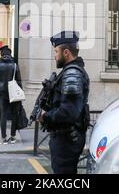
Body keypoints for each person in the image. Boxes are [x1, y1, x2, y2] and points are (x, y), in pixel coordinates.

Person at [39, 31, 90, 174]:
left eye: (56, 51)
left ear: (66, 52)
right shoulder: (69, 71)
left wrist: (45, 116)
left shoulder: (71, 74)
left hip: (67, 140)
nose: (55, 56)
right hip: (65, 138)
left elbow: (68, 112)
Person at [0, 45, 22, 145]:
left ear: (2, 54)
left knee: (3, 115)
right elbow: (19, 80)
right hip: (13, 93)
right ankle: (13, 136)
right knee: (14, 115)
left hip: (2, 93)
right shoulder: (15, 65)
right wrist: (20, 93)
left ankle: (4, 138)